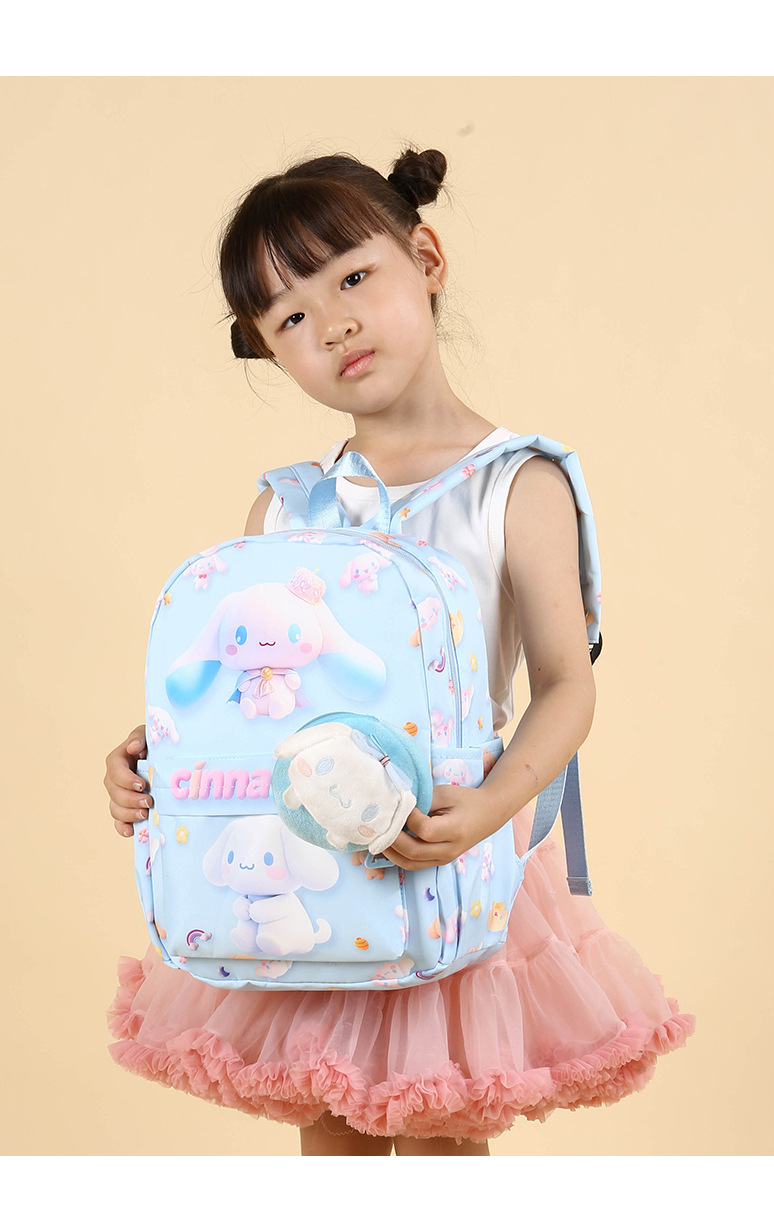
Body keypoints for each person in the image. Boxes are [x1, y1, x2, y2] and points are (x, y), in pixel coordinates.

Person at [104, 147, 695, 1156]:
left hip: (451, 845)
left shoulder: (516, 484)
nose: (331, 323)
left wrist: (493, 809)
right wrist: (155, 749)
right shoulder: (288, 507)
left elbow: (566, 686)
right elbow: (250, 693)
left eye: (352, 278)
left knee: (438, 1130)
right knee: (330, 1124)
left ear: (425, 258)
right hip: (313, 866)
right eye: (291, 318)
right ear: (267, 350)